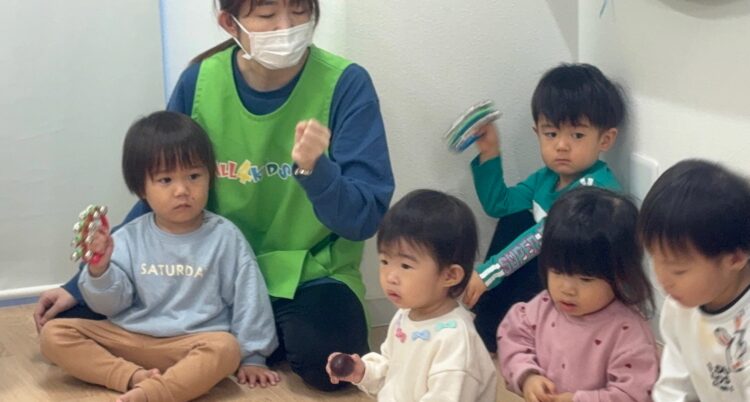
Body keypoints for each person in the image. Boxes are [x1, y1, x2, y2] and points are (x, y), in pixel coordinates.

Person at [34, 0, 394, 391]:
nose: (286, 26)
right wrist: (79, 282)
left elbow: (363, 220)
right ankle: (217, 340)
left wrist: (314, 170)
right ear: (230, 23)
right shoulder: (199, 81)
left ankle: (229, 340)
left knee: (332, 370)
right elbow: (159, 187)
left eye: (299, 11)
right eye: (267, 15)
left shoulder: (346, 85)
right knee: (62, 322)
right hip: (204, 270)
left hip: (307, 276)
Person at [39, 111, 278, 402]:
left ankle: (154, 393)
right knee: (54, 334)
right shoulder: (128, 236)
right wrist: (100, 271)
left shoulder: (225, 237)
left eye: (194, 176)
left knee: (226, 349)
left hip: (194, 343)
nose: (182, 190)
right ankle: (133, 377)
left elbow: (249, 298)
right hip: (129, 337)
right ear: (142, 188)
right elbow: (111, 306)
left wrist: (254, 356)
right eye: (165, 180)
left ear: (210, 177)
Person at [463, 63, 626, 352]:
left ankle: (511, 332)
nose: (561, 145)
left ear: (605, 139)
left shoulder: (595, 187)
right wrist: (490, 151)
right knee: (515, 220)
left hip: (577, 286)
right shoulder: (546, 178)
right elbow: (500, 204)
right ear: (537, 132)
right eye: (551, 134)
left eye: (577, 135)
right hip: (549, 274)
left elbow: (542, 236)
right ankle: (495, 322)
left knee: (535, 239)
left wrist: (487, 274)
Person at [326, 189, 497, 401]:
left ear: (450, 275)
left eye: (406, 265)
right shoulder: (406, 315)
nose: (390, 276)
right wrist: (364, 372)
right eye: (385, 261)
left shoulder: (455, 341)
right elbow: (391, 370)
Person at [499, 187, 659, 402]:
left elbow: (633, 394)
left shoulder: (628, 333)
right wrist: (528, 376)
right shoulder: (543, 305)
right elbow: (512, 338)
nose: (567, 289)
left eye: (585, 279)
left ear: (621, 274)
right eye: (557, 271)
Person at [638, 159, 750, 401]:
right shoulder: (681, 305)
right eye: (655, 259)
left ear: (735, 258)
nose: (662, 279)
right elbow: (674, 385)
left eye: (678, 270)